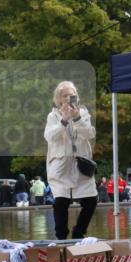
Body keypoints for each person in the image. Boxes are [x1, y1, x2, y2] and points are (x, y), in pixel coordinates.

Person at [44, 81, 97, 240]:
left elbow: (89, 134)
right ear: (59, 99)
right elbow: (50, 137)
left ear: (76, 96)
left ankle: (78, 233)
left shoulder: (83, 113)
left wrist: (77, 118)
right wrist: (64, 120)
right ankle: (61, 238)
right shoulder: (53, 116)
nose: (68, 98)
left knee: (91, 200)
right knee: (61, 202)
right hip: (61, 167)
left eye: (71, 95)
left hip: (81, 165)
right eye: (64, 95)